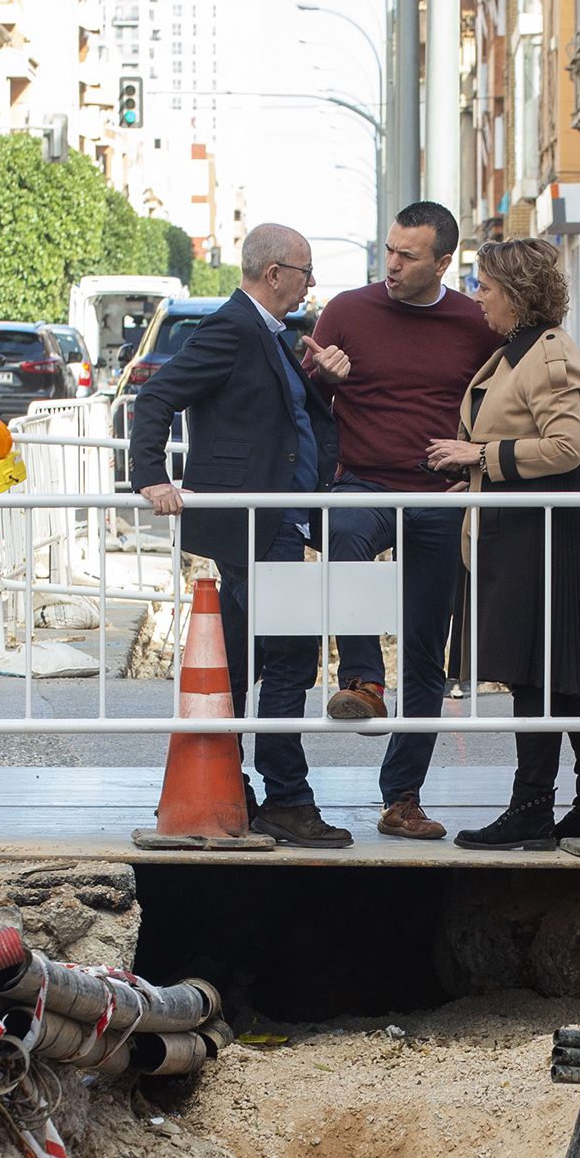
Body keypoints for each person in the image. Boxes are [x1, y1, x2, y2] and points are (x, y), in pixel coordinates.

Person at [130, 223, 350, 848]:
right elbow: (156, 399)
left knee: (238, 659)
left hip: (278, 521)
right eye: (306, 272)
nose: (311, 285)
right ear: (274, 273)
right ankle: (286, 800)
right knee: (289, 658)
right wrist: (151, 476)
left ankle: (233, 788)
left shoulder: (274, 334)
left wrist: (322, 381)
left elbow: (280, 418)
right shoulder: (232, 327)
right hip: (257, 524)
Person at [307, 201, 503, 840]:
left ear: (444, 261)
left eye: (408, 255)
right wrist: (321, 378)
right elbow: (304, 400)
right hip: (363, 482)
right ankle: (363, 677)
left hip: (438, 496)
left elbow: (506, 393)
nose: (391, 264)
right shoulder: (347, 311)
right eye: (388, 250)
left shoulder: (474, 321)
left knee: (427, 650)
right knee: (343, 533)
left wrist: (477, 460)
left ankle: (402, 798)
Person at [428, 238, 580, 850]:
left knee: (553, 673)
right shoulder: (517, 351)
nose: (477, 297)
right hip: (522, 524)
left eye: (484, 286)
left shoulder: (548, 351)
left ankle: (540, 806)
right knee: (550, 674)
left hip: (549, 528)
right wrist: (469, 464)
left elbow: (567, 446)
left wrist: (477, 455)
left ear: (513, 292)